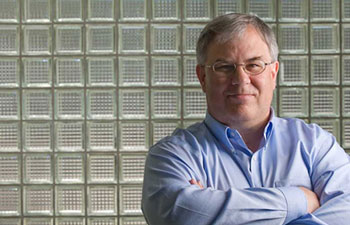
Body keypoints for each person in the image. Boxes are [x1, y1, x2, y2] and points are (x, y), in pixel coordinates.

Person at [141, 13, 350, 225]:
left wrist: (216, 210)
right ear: (203, 77)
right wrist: (298, 200)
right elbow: (180, 216)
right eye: (224, 67)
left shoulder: (315, 145)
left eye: (254, 65)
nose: (241, 79)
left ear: (273, 73)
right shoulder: (171, 157)